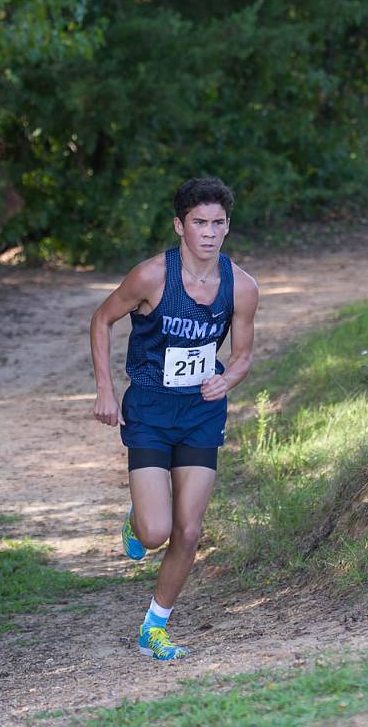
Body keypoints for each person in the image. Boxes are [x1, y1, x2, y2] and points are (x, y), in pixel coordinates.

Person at [90, 177, 259, 661]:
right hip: (150, 409)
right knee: (155, 533)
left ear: (228, 227)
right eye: (199, 223)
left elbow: (243, 355)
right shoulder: (151, 277)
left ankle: (154, 627)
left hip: (202, 413)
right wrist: (105, 388)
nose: (208, 233)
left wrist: (227, 381)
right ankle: (138, 521)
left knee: (189, 530)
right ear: (180, 226)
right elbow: (102, 319)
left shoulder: (241, 287)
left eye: (217, 223)